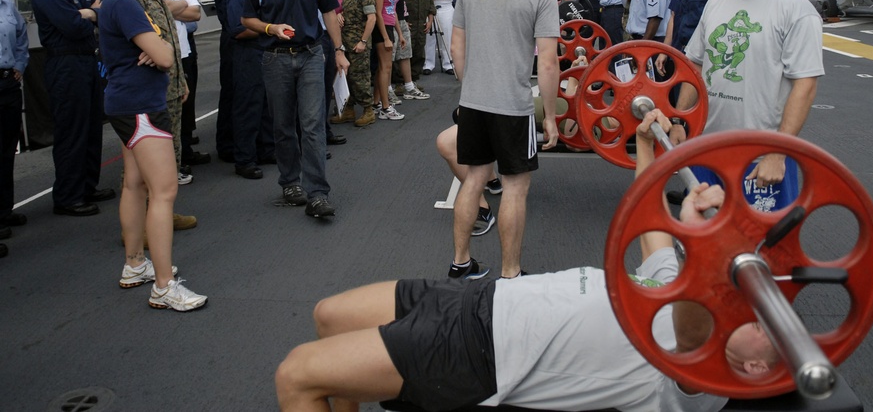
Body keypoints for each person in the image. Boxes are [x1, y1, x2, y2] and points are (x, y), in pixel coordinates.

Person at [274, 110, 777, 412]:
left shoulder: (701, 378)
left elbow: (691, 335)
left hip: (486, 352)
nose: (746, 302)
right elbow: (649, 218)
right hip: (482, 299)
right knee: (328, 316)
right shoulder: (674, 290)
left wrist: (707, 249)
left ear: (754, 366)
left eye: (758, 318)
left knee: (296, 374)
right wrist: (647, 144)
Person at [669, 0, 824, 212]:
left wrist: (778, 153)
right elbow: (696, 65)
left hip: (760, 159)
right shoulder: (717, 1)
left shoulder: (796, 11)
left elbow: (805, 87)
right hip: (706, 149)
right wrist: (680, 121)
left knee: (761, 251)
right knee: (701, 248)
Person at [98, 0, 206, 312]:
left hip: (127, 102)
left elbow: (157, 51)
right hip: (141, 104)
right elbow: (163, 55)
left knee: (135, 184)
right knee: (163, 192)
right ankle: (164, 285)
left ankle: (134, 263)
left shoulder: (115, 1)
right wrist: (156, 43)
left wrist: (154, 46)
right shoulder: (125, 4)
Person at [450, 0, 560, 280]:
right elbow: (547, 62)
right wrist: (550, 117)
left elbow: (457, 47)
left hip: (474, 102)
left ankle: (461, 263)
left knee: (474, 180)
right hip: (512, 107)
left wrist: (471, 88)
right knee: (515, 188)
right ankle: (510, 274)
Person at [241, 0, 349, 219]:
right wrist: (270, 28)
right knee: (283, 125)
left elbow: (329, 12)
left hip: (312, 54)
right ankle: (290, 183)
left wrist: (338, 50)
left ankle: (317, 194)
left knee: (313, 124)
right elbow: (247, 19)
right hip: (275, 58)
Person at [31, 0, 114, 216]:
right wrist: (89, 12)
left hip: (87, 60)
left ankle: (87, 186)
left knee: (92, 127)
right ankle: (68, 195)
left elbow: (102, 11)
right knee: (72, 130)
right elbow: (72, 26)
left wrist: (91, 12)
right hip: (65, 62)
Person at [133, 0, 198, 231]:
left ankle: (163, 213)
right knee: (146, 164)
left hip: (169, 86)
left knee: (171, 155)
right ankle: (143, 225)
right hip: (148, 90)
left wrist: (181, 80)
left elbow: (172, 38)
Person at [159, 0, 211, 167]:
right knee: (169, 108)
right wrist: (178, 7)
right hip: (166, 48)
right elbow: (156, 10)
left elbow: (195, 12)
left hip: (184, 45)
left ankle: (183, 151)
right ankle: (172, 162)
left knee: (184, 99)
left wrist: (172, 7)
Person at [211, 0, 262, 163]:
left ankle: (253, 145)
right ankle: (228, 144)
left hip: (256, 39)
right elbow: (235, 19)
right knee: (234, 93)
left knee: (254, 96)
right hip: (236, 41)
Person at [226, 0, 276, 179]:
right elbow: (237, 30)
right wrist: (267, 30)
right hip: (247, 54)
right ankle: (244, 159)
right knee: (248, 106)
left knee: (265, 104)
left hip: (262, 52)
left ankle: (266, 149)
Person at [305, 0, 348, 146]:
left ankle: (323, 131)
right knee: (316, 90)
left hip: (325, 36)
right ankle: (317, 137)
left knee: (325, 87)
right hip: (315, 38)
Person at [0, 0, 28, 254]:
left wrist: (20, 63)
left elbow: (21, 35)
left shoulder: (6, 3)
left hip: (7, 82)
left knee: (7, 150)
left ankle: (4, 210)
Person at [336, 0, 377, 128]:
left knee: (360, 78)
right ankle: (348, 109)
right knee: (348, 77)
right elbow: (350, 11)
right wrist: (341, 15)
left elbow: (372, 18)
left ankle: (368, 110)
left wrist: (363, 41)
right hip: (347, 42)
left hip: (358, 44)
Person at [372, 0, 406, 121]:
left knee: (384, 68)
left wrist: (399, 34)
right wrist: (385, 37)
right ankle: (385, 106)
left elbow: (393, 12)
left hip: (390, 26)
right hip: (382, 28)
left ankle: (377, 102)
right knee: (386, 68)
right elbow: (378, 12)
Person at [422, 0, 458, 75]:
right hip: (429, 11)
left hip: (445, 8)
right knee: (429, 38)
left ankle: (448, 63)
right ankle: (428, 64)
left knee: (446, 37)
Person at [402, 0, 433, 84]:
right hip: (408, 25)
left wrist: (430, 21)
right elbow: (397, 5)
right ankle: (400, 82)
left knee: (419, 54)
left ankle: (413, 81)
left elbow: (431, 6)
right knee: (404, 55)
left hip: (421, 25)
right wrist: (402, 21)